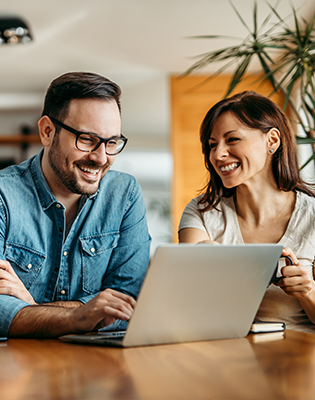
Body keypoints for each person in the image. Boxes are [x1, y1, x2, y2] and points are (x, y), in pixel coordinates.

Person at [0, 72, 151, 337]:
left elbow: (128, 304)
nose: (101, 157)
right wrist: (79, 315)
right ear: (47, 131)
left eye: (112, 142)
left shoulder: (124, 194)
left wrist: (31, 309)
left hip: (98, 367)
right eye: (87, 139)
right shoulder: (4, 195)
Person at [179, 91, 315, 333]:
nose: (218, 155)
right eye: (212, 145)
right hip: (225, 355)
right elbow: (191, 303)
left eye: (232, 140)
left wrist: (308, 291)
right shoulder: (201, 212)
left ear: (272, 140)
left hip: (297, 358)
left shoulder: (312, 216)